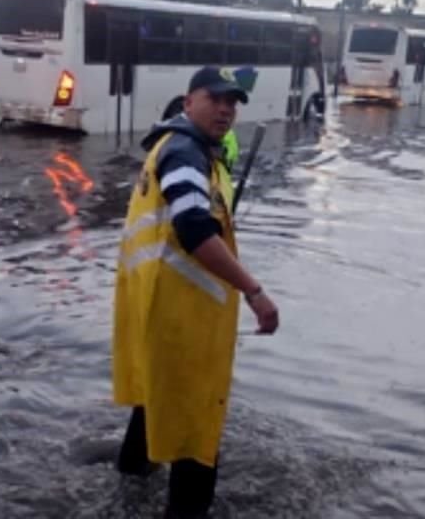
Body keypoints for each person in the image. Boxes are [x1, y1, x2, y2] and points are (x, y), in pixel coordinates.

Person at [113, 66, 280, 518]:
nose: (226, 109)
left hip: (159, 308)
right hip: (181, 318)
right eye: (215, 98)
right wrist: (254, 290)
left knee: (152, 406)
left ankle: (126, 492)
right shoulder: (185, 153)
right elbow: (192, 228)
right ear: (188, 102)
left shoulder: (178, 148)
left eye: (233, 102)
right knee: (197, 430)